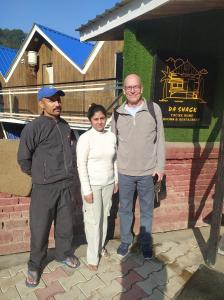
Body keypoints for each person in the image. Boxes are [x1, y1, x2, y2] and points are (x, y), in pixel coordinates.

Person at [17, 87, 80, 288]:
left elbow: (71, 152)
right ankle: (35, 266)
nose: (57, 103)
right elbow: (23, 159)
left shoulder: (65, 126)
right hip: (44, 188)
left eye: (58, 100)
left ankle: (63, 254)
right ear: (41, 103)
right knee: (40, 228)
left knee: (65, 224)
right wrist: (40, 176)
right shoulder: (34, 127)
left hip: (65, 185)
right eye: (52, 100)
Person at [111, 73, 165, 259]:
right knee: (125, 209)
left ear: (141, 88)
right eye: (128, 87)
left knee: (147, 210)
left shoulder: (153, 109)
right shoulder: (117, 113)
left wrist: (160, 167)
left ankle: (145, 243)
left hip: (148, 172)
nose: (132, 90)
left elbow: (160, 140)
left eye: (135, 87)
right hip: (125, 172)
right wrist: (114, 174)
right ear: (124, 91)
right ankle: (126, 241)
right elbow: (113, 144)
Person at [76, 103, 118, 271]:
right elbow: (81, 165)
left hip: (108, 183)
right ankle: (92, 257)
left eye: (102, 118)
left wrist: (116, 180)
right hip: (92, 185)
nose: (100, 122)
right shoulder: (85, 138)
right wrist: (86, 190)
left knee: (105, 217)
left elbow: (115, 160)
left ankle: (100, 247)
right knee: (93, 221)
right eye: (96, 119)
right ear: (90, 120)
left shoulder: (111, 136)